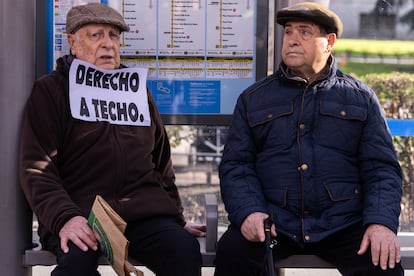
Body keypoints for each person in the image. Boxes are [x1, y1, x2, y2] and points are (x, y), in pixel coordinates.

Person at [214, 2, 404, 276]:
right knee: (233, 253)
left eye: (304, 32)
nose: (292, 39)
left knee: (383, 263)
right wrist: (249, 212)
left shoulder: (360, 98)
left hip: (343, 224)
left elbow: (382, 170)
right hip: (274, 223)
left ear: (329, 42)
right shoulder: (253, 99)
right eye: (289, 32)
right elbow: (236, 165)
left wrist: (380, 223)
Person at [19, 3, 205, 276]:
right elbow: (37, 170)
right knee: (75, 268)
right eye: (96, 36)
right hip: (80, 214)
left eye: (113, 36)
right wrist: (66, 218)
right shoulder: (51, 91)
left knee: (183, 251)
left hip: (143, 214)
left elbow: (161, 162)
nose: (108, 45)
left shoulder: (135, 90)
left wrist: (175, 218)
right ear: (73, 42)